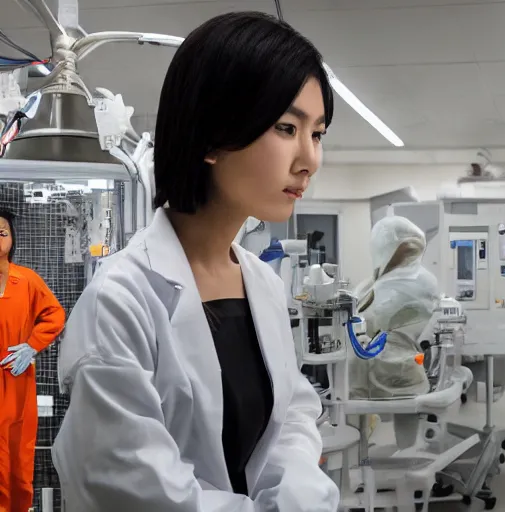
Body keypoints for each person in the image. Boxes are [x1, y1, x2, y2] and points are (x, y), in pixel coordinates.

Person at [52, 12, 339, 512]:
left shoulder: (262, 285)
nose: (309, 159)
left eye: (317, 134)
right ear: (211, 137)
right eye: (287, 127)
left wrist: (295, 494)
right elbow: (137, 491)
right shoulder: (121, 302)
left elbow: (291, 411)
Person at [0, 209, 66, 512]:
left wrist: (31, 346)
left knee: (19, 452)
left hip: (16, 379)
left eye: (2, 232)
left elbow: (54, 315)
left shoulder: (26, 281)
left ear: (13, 239)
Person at [350, 216, 439, 400]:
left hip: (396, 371)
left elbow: (372, 320)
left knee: (405, 423)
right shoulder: (382, 282)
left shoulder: (411, 283)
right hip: (387, 370)